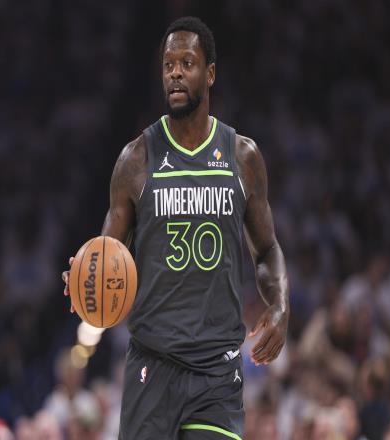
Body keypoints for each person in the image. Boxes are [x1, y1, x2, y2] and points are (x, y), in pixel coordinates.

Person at [63, 16, 289, 439]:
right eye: (168, 65)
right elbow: (107, 253)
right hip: (153, 364)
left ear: (210, 73)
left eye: (187, 63)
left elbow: (267, 250)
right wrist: (84, 277)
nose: (176, 73)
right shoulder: (135, 160)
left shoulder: (242, 157)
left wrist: (279, 306)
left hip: (217, 369)